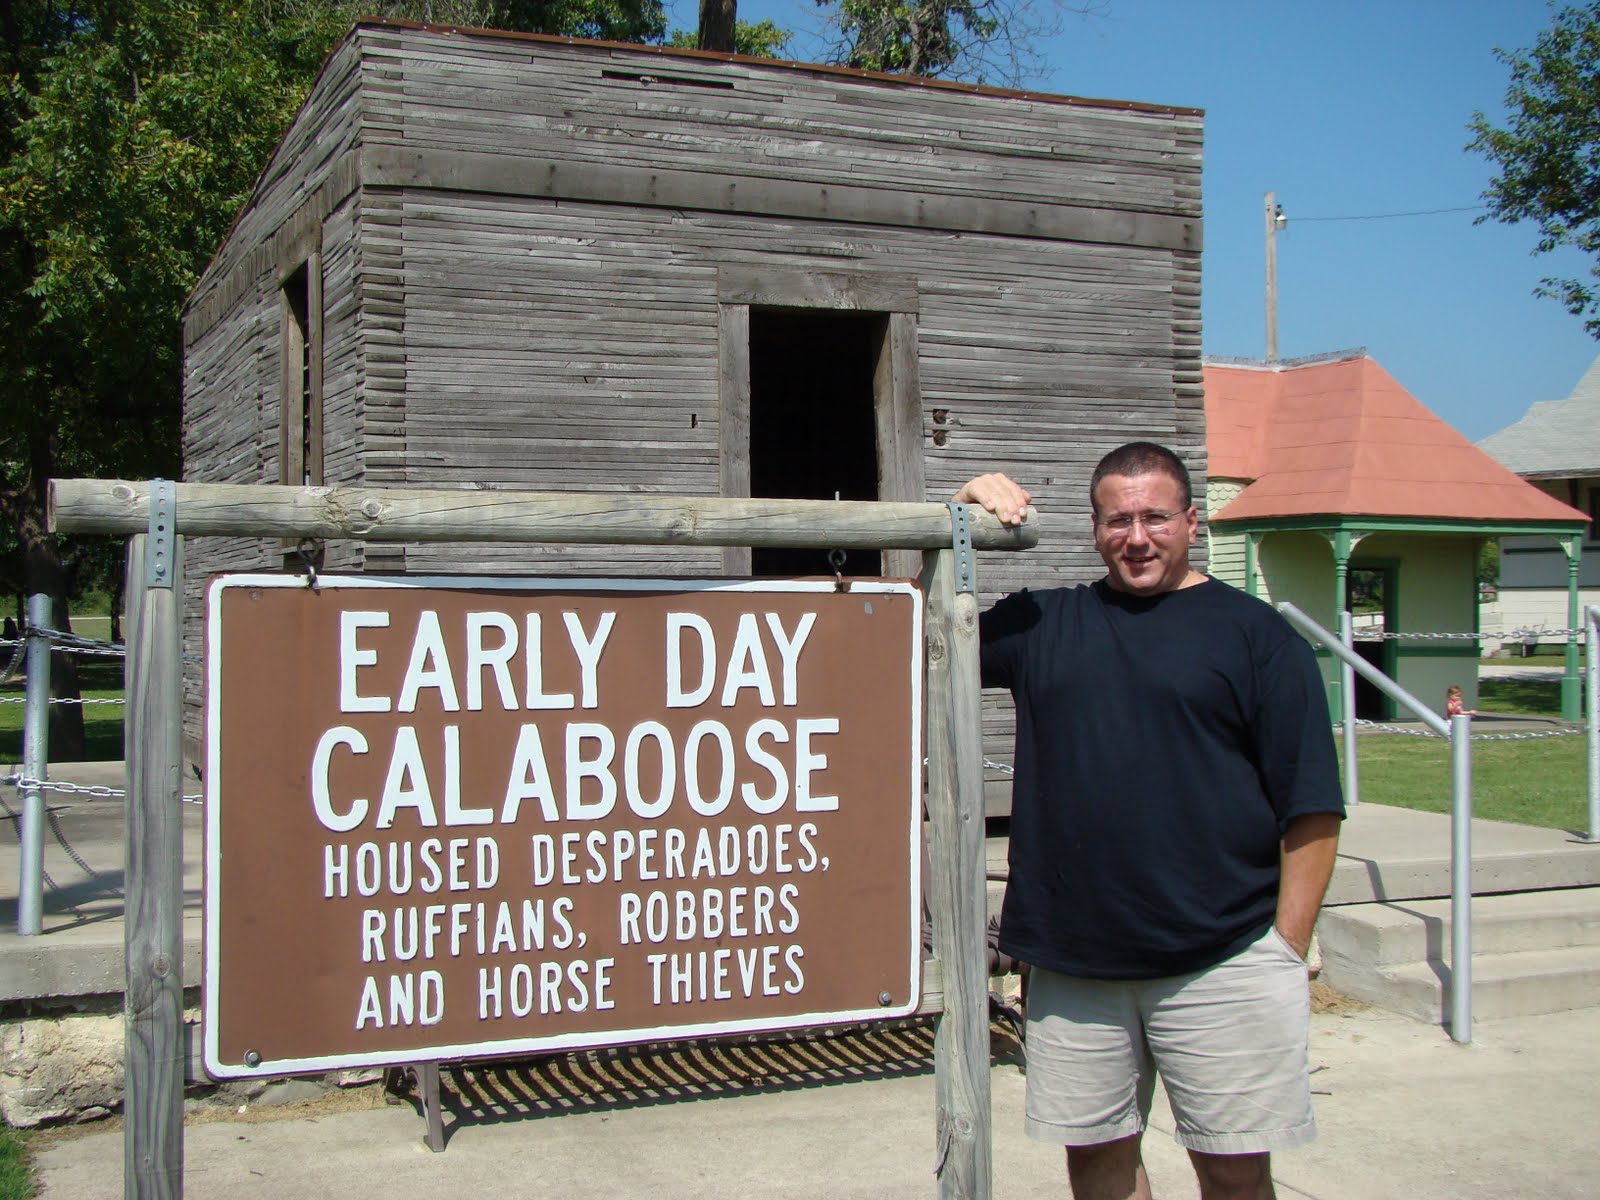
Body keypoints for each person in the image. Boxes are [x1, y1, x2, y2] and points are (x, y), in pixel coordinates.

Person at [954, 442, 1344, 1200]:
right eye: (1118, 520)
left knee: (1234, 1175)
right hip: (1074, 968)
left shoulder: (1258, 638)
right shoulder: (1042, 624)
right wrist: (958, 518)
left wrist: (1284, 950)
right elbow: (905, 628)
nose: (1137, 537)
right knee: (1098, 1167)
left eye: (1156, 518)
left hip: (1223, 959)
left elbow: (1313, 806)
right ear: (1095, 528)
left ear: (1192, 522)